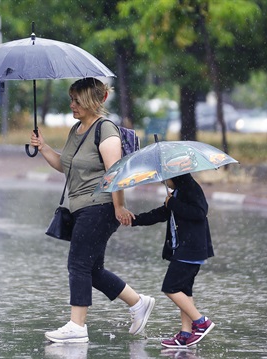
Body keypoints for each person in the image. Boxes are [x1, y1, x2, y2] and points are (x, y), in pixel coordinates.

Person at [30, 77, 155, 343]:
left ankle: (77, 326)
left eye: (77, 100)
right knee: (92, 269)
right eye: (71, 99)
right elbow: (66, 166)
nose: (72, 105)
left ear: (90, 101)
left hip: (99, 206)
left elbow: (116, 173)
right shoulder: (76, 129)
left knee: (77, 263)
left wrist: (119, 206)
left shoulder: (105, 130)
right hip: (80, 207)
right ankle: (138, 303)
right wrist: (43, 147)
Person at [129, 174, 215, 348]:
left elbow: (200, 212)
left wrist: (173, 203)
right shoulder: (177, 192)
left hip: (190, 249)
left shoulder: (190, 188)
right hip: (183, 250)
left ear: (176, 176)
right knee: (184, 291)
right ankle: (185, 334)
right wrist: (134, 220)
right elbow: (162, 213)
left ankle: (201, 322)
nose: (163, 182)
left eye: (165, 178)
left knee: (170, 288)